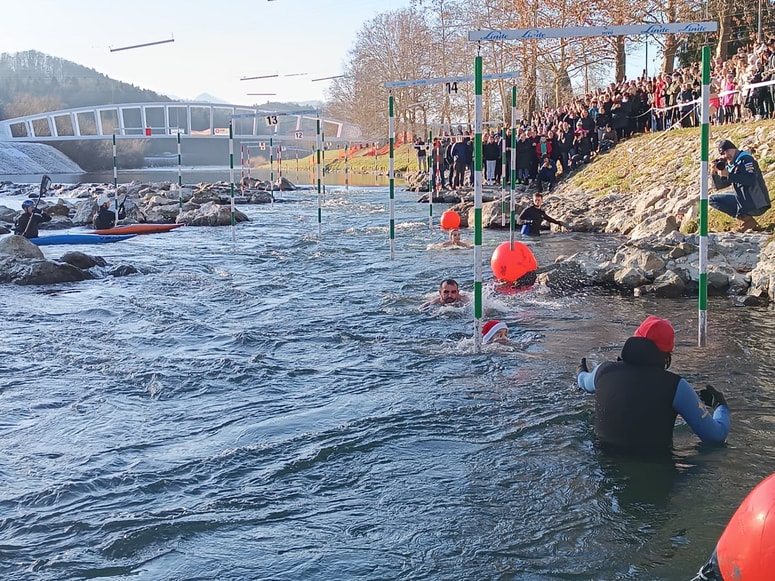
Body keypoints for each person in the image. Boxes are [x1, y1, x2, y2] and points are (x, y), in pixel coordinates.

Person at [576, 315, 730, 456]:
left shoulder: (603, 371)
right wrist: (720, 406)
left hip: (603, 463)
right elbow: (715, 437)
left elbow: (583, 381)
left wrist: (581, 370)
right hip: (655, 469)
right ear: (667, 354)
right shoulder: (676, 387)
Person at [710, 139, 771, 232]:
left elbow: (750, 180)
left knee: (718, 198)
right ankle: (747, 221)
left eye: (726, 152)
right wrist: (714, 172)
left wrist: (729, 175)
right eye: (722, 154)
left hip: (756, 202)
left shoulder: (745, 159)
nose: (725, 156)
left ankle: (747, 221)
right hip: (745, 199)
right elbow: (721, 185)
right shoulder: (733, 164)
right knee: (713, 199)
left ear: (733, 149)